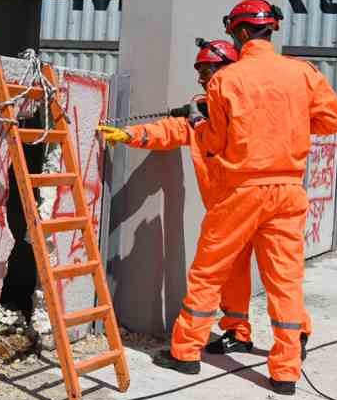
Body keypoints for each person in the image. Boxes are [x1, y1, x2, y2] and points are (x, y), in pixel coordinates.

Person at [152, 0, 337, 393]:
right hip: (288, 191)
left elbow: (215, 142)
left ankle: (186, 352)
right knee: (285, 281)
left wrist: (198, 122)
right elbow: (331, 121)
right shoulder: (303, 73)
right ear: (270, 29)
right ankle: (285, 372)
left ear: (239, 32)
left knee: (208, 273)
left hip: (241, 191)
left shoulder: (226, 80)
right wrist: (289, 123)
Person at [95, 38, 257, 354]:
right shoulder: (200, 113)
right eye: (199, 71)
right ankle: (239, 333)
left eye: (206, 71)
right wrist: (130, 134)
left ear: (227, 69)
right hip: (229, 209)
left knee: (277, 273)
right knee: (235, 274)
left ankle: (295, 334)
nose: (201, 78)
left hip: (260, 201)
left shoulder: (249, 109)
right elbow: (170, 131)